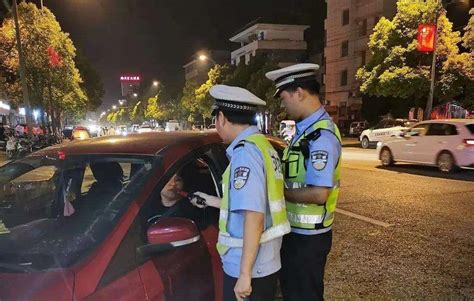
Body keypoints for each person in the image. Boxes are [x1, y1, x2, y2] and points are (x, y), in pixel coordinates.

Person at [191, 85, 290, 301]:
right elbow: (250, 202)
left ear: (223, 117)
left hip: (250, 266)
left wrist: (244, 275)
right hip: (265, 259)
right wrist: (209, 201)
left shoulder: (245, 154)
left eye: (215, 118)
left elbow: (254, 214)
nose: (216, 125)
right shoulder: (263, 146)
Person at [265, 63, 342, 301]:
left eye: (284, 97)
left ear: (299, 93)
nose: (283, 104)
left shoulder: (321, 137)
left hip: (308, 238)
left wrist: (280, 193)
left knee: (303, 295)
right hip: (298, 234)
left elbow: (320, 194)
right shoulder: (306, 132)